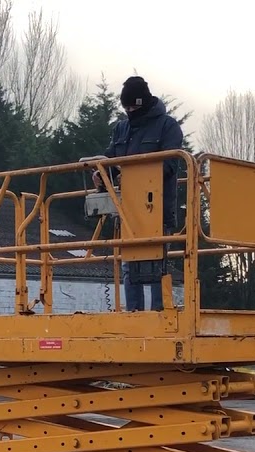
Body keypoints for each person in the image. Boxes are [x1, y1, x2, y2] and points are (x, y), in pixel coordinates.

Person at [98, 75, 184, 312]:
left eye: (133, 106)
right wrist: (101, 174)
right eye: (125, 107)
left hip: (157, 209)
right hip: (128, 211)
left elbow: (170, 164)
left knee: (158, 264)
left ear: (143, 102)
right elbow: (110, 161)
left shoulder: (168, 127)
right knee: (129, 266)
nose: (129, 111)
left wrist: (129, 172)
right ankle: (133, 315)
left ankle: (160, 315)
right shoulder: (121, 129)